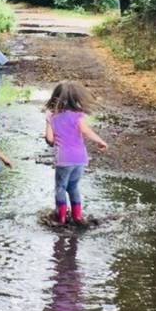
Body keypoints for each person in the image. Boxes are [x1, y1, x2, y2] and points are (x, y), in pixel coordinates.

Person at [45, 81, 108, 224]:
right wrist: (100, 141)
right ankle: (77, 216)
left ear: (55, 96)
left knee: (60, 187)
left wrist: (56, 134)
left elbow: (50, 139)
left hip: (64, 158)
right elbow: (86, 131)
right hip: (80, 158)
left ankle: (61, 218)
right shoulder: (78, 115)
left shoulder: (51, 115)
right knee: (73, 186)